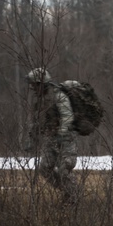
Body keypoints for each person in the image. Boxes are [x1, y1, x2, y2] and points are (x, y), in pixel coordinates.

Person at [25, 67, 80, 203]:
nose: (32, 88)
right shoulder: (39, 100)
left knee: (64, 169)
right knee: (44, 168)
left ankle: (74, 197)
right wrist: (33, 139)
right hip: (50, 139)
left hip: (66, 139)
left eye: (34, 84)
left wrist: (61, 134)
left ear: (41, 83)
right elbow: (37, 121)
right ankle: (69, 192)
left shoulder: (58, 96)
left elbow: (67, 117)